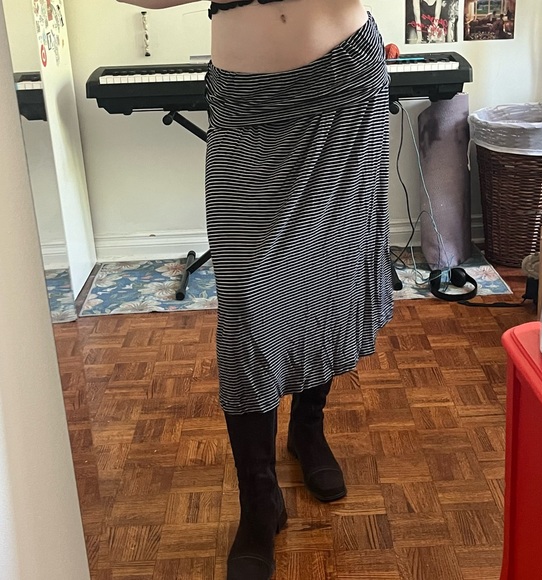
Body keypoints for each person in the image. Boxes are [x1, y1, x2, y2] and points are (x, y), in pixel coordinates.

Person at [116, 1, 393, 578]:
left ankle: (308, 432)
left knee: (328, 279)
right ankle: (259, 499)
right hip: (245, 103)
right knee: (248, 308)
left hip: (344, 86)